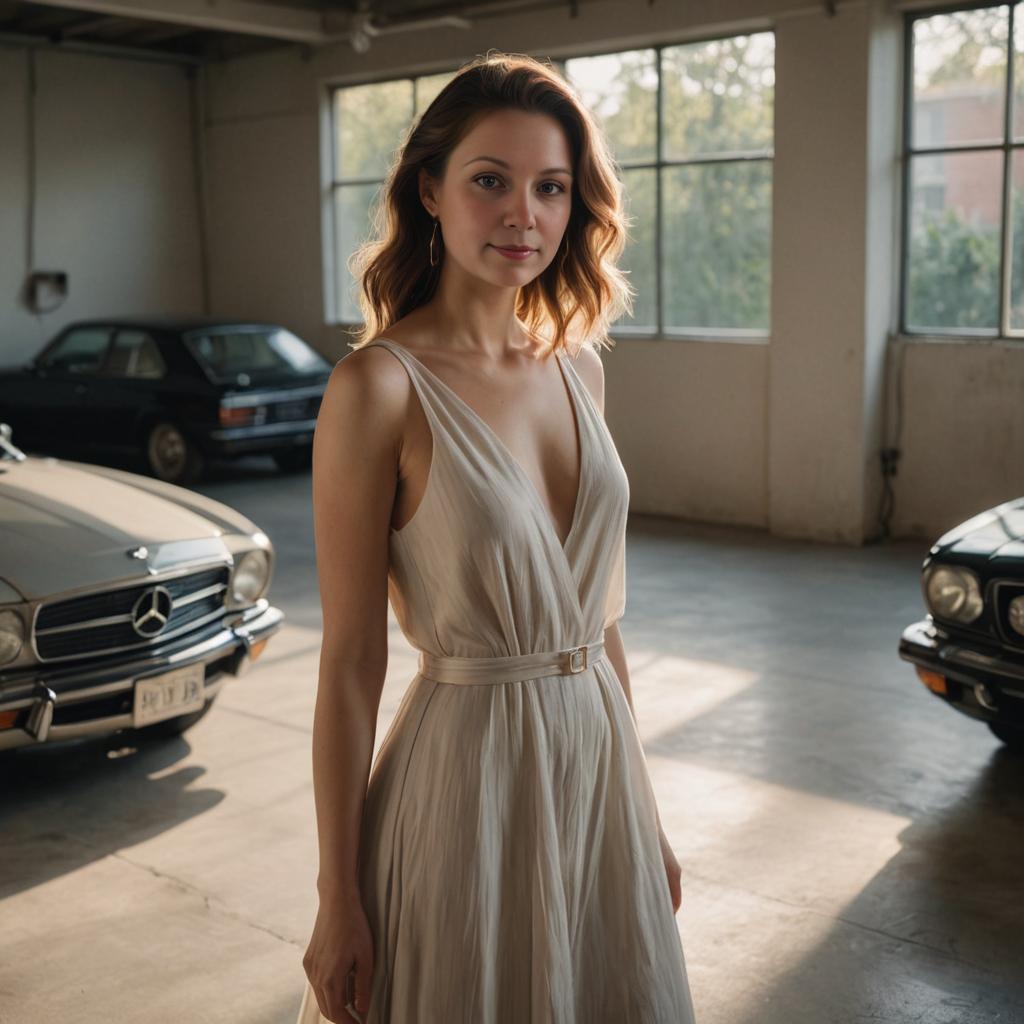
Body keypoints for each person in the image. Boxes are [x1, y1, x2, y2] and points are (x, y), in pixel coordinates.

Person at [297, 50, 697, 1024]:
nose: (524, 213)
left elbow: (599, 628)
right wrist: (337, 895)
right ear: (428, 190)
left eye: (550, 187)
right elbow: (349, 664)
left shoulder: (580, 370)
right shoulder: (378, 389)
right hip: (464, 791)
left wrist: (643, 815)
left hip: (593, 777)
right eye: (490, 181)